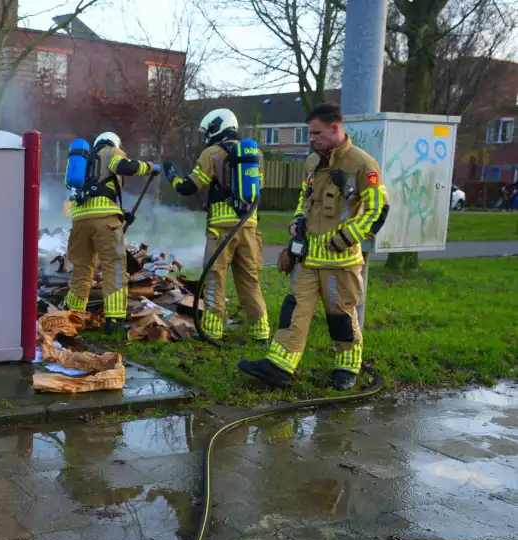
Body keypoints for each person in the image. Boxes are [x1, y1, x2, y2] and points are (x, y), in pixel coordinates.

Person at [238, 103, 389, 390]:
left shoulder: (362, 164)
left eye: (317, 133)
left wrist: (345, 238)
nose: (312, 139)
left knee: (341, 317)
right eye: (310, 133)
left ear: (336, 128)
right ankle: (280, 365)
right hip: (307, 258)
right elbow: (304, 199)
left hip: (340, 262)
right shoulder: (312, 162)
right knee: (293, 310)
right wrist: (297, 220)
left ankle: (347, 367)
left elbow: (377, 208)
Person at [163, 108, 269, 342]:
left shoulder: (212, 153)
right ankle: (260, 331)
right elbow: (257, 190)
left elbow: (189, 187)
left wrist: (172, 177)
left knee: (214, 278)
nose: (206, 136)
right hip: (249, 227)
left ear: (216, 127)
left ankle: (212, 330)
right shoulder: (256, 155)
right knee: (249, 280)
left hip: (222, 229)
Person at [63, 132, 160, 335]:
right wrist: (151, 167)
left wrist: (122, 214)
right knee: (113, 268)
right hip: (105, 221)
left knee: (81, 269)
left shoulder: (83, 162)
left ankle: (73, 318)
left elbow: (94, 195)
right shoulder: (110, 152)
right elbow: (123, 167)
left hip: (79, 220)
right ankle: (114, 320)